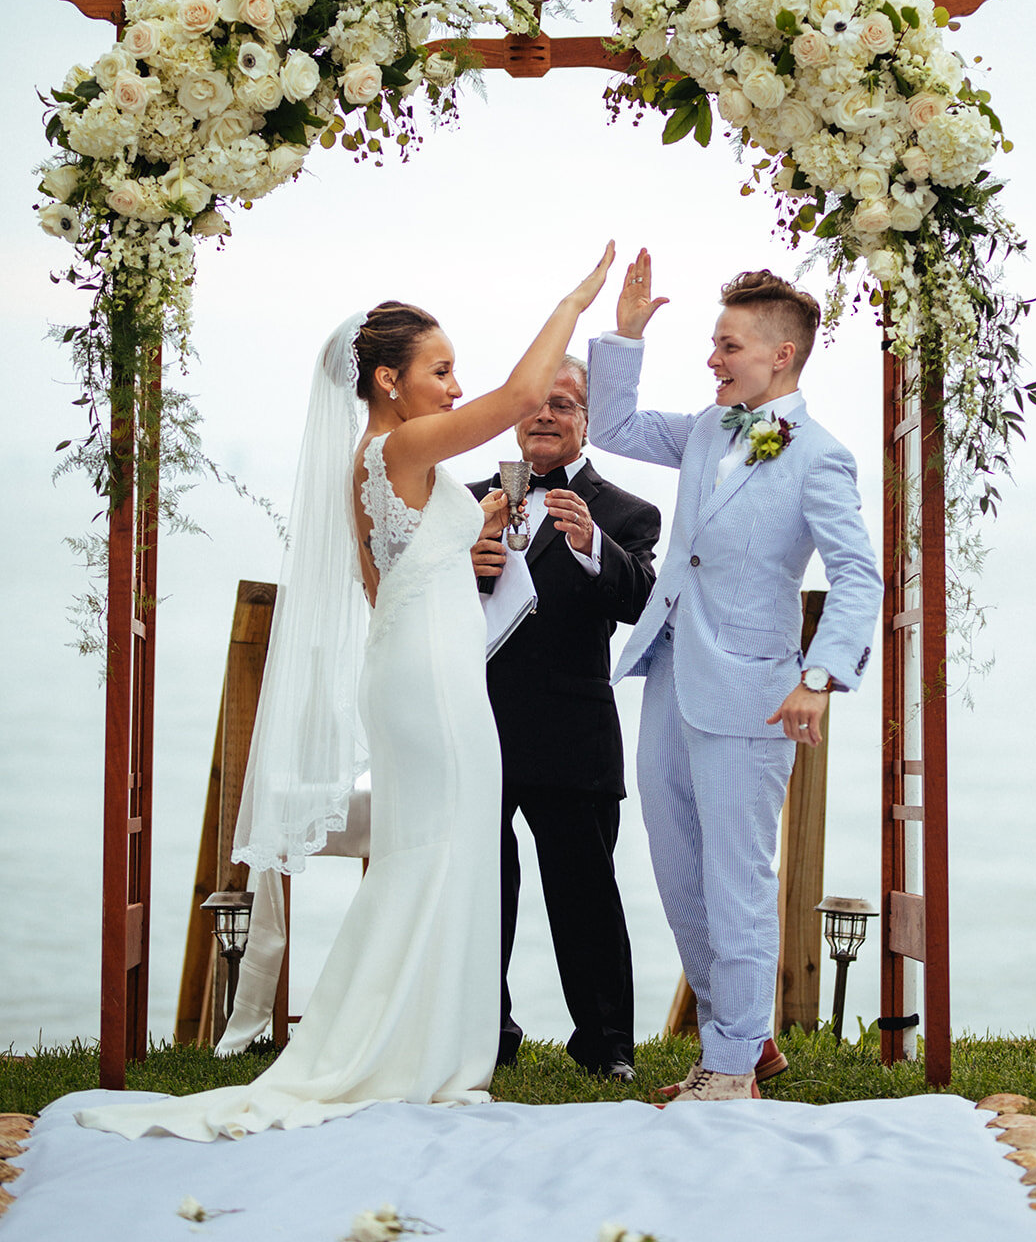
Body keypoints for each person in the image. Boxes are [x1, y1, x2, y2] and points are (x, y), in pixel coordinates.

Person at [75, 243, 615, 1141]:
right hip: (434, 679)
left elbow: (384, 577)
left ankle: (422, 1040)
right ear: (387, 380)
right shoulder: (402, 443)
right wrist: (572, 300)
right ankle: (408, 1047)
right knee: (438, 851)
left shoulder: (378, 459)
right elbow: (522, 400)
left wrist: (466, 530)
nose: (453, 385)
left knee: (436, 850)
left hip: (418, 663)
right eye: (439, 370)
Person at [587, 253, 883, 1104]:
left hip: (755, 692)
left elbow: (857, 575)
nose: (711, 360)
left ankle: (727, 1068)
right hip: (670, 667)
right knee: (679, 871)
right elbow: (613, 428)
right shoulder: (710, 428)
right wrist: (626, 335)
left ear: (779, 355)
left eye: (726, 345)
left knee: (736, 875)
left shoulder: (819, 457)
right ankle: (743, 1041)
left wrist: (818, 677)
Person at [468, 356, 660, 1081]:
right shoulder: (465, 501)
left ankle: (605, 1044)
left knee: (585, 896)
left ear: (586, 421)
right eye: (534, 404)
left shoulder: (626, 513)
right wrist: (466, 567)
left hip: (571, 731)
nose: (545, 415)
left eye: (564, 404)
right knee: (481, 889)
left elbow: (641, 603)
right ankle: (485, 1031)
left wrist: (589, 548)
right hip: (477, 723)